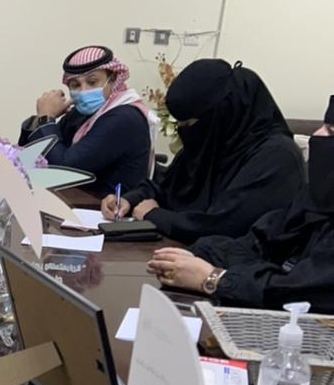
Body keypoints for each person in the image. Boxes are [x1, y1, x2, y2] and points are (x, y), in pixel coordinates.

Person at [147, 103, 334, 309]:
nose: (317, 135)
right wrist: (195, 256)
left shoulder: (276, 154)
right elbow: (258, 242)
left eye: (331, 131)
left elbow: (305, 290)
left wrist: (214, 279)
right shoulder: (318, 194)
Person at [102, 59, 305, 244]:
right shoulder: (214, 143)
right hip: (178, 253)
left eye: (189, 123)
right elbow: (165, 186)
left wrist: (154, 215)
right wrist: (129, 200)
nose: (184, 131)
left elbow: (226, 226)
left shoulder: (277, 157)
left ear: (222, 115)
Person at [19, 45, 153, 197]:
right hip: (71, 199)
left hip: (104, 207)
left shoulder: (123, 118)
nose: (84, 91)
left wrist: (46, 119)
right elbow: (30, 158)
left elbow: (63, 171)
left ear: (113, 79)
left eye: (92, 82)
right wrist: (41, 120)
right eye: (75, 85)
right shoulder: (81, 112)